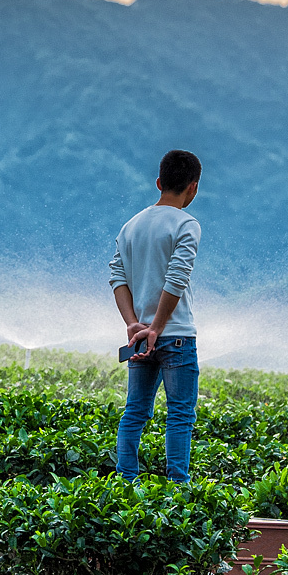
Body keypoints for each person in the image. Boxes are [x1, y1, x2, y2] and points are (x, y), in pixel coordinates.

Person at [110, 149, 203, 484]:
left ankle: (126, 483)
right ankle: (178, 491)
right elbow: (176, 279)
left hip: (139, 338)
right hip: (175, 335)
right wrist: (158, 328)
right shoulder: (186, 224)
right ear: (193, 188)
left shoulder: (131, 225)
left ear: (159, 182)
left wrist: (134, 324)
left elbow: (117, 277)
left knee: (134, 413)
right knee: (179, 415)